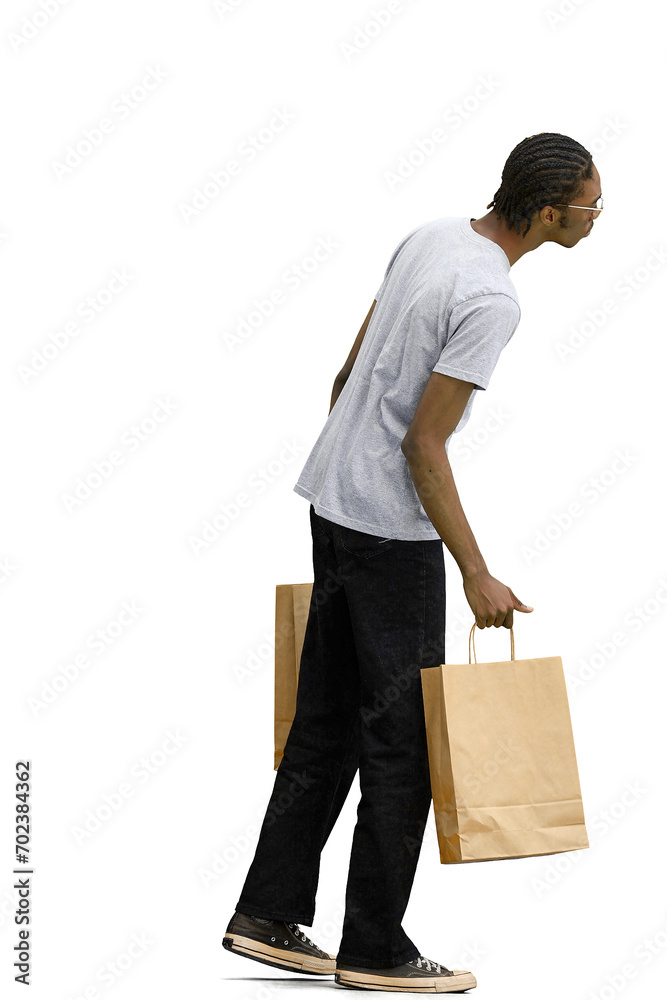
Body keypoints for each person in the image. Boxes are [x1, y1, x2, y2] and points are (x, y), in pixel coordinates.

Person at [223, 133, 602, 993]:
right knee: (401, 745)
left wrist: (342, 478)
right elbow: (423, 443)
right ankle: (375, 950)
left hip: (333, 504)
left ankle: (267, 914)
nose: (594, 220)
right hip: (391, 537)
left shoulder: (433, 235)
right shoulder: (491, 300)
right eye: (589, 207)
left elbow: (350, 369)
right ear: (546, 212)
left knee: (323, 723)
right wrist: (475, 571)